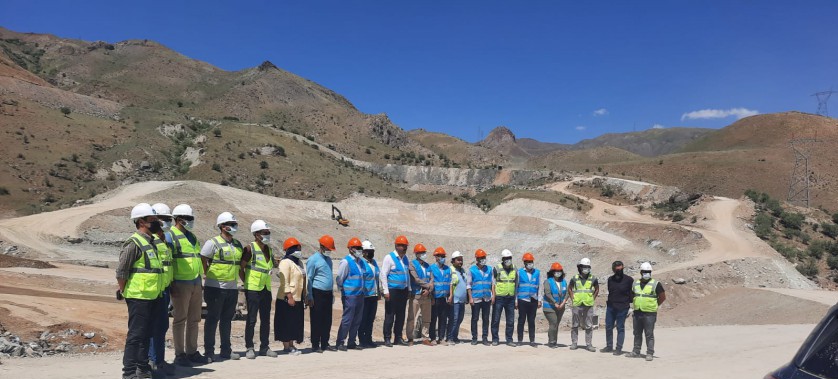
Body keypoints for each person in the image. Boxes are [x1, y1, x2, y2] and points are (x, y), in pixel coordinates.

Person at [118, 203, 165, 379]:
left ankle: (142, 369)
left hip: (152, 296)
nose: (156, 222)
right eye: (152, 220)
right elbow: (121, 271)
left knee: (147, 334)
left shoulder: (151, 242)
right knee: (136, 336)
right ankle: (129, 373)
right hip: (138, 297)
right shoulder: (133, 243)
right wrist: (123, 290)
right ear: (141, 222)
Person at [200, 211, 243, 362]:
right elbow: (203, 258)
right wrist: (207, 273)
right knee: (212, 319)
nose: (234, 226)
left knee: (227, 320)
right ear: (223, 226)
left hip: (232, 288)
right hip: (215, 287)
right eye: (231, 224)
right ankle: (209, 351)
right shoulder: (213, 243)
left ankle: (226, 350)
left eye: (235, 224)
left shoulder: (237, 244)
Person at [169, 204, 206, 367]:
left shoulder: (192, 237)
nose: (191, 221)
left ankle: (192, 351)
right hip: (180, 283)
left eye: (192, 218)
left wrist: (200, 281)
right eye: (188, 219)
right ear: (178, 219)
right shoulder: (170, 236)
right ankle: (180, 354)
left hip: (196, 283)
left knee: (194, 319)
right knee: (180, 319)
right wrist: (171, 282)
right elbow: (168, 262)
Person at [239, 220, 278, 359]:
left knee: (266, 319)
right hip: (253, 289)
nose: (267, 235)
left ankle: (264, 347)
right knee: (251, 319)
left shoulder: (269, 249)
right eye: (264, 233)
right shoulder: (249, 249)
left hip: (266, 289)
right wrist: (247, 283)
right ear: (256, 234)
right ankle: (249, 347)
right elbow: (241, 268)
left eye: (268, 233)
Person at [148, 203, 175, 376]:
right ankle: (151, 362)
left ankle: (160, 360)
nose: (167, 222)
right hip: (153, 291)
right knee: (153, 327)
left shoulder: (166, 239)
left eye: (168, 219)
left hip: (165, 288)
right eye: (164, 219)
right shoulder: (149, 240)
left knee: (162, 326)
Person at [626, 262, 666, 362]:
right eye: (644, 272)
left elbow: (662, 297)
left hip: (650, 314)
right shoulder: (635, 283)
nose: (646, 273)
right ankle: (636, 351)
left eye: (648, 272)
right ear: (641, 272)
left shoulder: (656, 284)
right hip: (637, 312)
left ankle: (650, 353)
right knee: (637, 333)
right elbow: (632, 295)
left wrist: (654, 305)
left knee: (649, 334)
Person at [274, 238, 305, 356]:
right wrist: (289, 296)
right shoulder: (285, 262)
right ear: (290, 249)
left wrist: (305, 294)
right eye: (296, 248)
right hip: (287, 298)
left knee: (294, 322)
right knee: (286, 322)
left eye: (299, 247)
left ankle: (292, 344)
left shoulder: (299, 263)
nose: (299, 250)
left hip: (298, 297)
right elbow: (284, 281)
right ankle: (286, 346)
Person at [336, 237, 367, 351]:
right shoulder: (346, 262)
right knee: (347, 319)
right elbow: (340, 278)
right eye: (357, 248)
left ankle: (351, 342)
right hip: (349, 295)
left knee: (357, 319)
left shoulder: (361, 262)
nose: (359, 250)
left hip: (360, 294)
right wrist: (342, 289)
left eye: (360, 248)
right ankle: (340, 342)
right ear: (350, 249)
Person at [380, 235, 412, 347]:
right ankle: (387, 338)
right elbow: (383, 274)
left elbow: (407, 275)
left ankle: (398, 337)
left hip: (403, 291)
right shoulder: (389, 258)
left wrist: (409, 289)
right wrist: (385, 291)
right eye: (402, 246)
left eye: (405, 246)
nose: (404, 248)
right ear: (396, 246)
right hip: (392, 291)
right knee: (390, 315)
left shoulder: (406, 259)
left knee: (401, 315)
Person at [307, 235, 336, 353]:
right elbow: (309, 278)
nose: (329, 251)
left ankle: (325, 343)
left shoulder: (329, 260)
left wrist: (332, 292)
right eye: (328, 249)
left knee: (327, 319)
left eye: (330, 249)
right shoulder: (313, 259)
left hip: (328, 293)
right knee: (316, 319)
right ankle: (315, 344)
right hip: (317, 292)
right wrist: (309, 295)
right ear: (322, 247)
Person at [602, 260, 633, 355]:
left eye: (621, 268)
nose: (619, 270)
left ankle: (619, 348)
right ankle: (609, 346)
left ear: (623, 268)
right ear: (613, 270)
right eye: (617, 269)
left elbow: (631, 293)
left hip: (622, 307)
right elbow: (610, 291)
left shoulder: (629, 280)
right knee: (608, 327)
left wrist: (628, 304)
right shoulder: (610, 280)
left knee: (620, 328)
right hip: (611, 307)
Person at [568, 257, 599, 352]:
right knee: (575, 324)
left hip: (588, 304)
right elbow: (570, 288)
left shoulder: (593, 278)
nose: (586, 269)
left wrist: (592, 298)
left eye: (588, 267)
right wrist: (573, 298)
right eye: (584, 267)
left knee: (589, 325)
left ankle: (589, 344)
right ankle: (574, 343)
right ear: (580, 267)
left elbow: (597, 289)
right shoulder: (574, 278)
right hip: (577, 304)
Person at [407, 243, 434, 346]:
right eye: (422, 253)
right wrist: (428, 286)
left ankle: (425, 337)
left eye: (424, 253)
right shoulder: (412, 264)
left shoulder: (428, 266)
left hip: (427, 296)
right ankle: (410, 338)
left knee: (427, 318)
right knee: (412, 317)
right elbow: (416, 279)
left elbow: (432, 279)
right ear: (417, 254)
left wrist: (429, 289)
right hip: (416, 295)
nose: (424, 254)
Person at [468, 249, 494, 346]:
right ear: (477, 259)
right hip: (476, 298)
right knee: (475, 318)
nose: (483, 259)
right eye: (481, 258)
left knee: (486, 318)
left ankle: (485, 338)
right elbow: (469, 285)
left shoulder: (489, 269)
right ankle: (474, 338)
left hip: (486, 298)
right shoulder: (472, 270)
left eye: (484, 258)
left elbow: (492, 283)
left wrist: (493, 295)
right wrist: (470, 298)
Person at [357, 240, 380, 348]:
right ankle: (362, 340)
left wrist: (378, 292)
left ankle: (369, 339)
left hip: (374, 295)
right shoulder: (361, 263)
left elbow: (377, 277)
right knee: (363, 318)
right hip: (365, 295)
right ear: (364, 252)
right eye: (369, 251)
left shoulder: (374, 263)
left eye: (372, 250)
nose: (371, 252)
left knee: (371, 318)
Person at [491, 249, 517, 347]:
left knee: (510, 320)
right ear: (502, 259)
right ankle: (495, 339)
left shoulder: (514, 268)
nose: (508, 260)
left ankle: (509, 340)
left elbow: (516, 283)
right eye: (506, 258)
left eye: (509, 258)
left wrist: (516, 299)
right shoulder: (497, 268)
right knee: (496, 319)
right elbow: (493, 283)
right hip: (499, 298)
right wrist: (493, 295)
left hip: (510, 298)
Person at [516, 252, 542, 347]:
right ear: (525, 263)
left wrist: (539, 300)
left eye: (531, 261)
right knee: (521, 320)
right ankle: (520, 340)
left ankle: (532, 340)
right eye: (528, 262)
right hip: (522, 300)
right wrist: (516, 300)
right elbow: (516, 287)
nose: (530, 263)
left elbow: (540, 287)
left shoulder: (537, 272)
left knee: (531, 321)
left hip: (533, 300)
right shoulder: (519, 272)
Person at [429, 247, 451, 345]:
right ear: (436, 257)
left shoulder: (448, 269)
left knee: (443, 318)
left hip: (444, 297)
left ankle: (441, 338)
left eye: (443, 256)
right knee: (433, 318)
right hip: (435, 297)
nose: (442, 258)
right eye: (440, 256)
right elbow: (430, 282)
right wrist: (431, 297)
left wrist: (450, 296)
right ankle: (432, 338)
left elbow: (450, 283)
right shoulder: (431, 268)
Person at [543, 262, 568, 348]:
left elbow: (567, 293)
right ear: (552, 272)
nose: (558, 272)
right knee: (553, 323)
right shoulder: (548, 282)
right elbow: (548, 293)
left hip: (561, 307)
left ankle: (554, 341)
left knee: (556, 324)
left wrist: (563, 302)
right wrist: (555, 303)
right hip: (549, 307)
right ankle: (551, 342)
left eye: (559, 271)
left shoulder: (564, 282)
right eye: (556, 271)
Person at [448, 251, 469, 344]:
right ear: (453, 261)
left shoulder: (462, 271)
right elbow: (450, 284)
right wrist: (450, 296)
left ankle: (455, 337)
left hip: (462, 300)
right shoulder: (451, 270)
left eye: (461, 260)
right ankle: (449, 337)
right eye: (458, 260)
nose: (460, 262)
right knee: (454, 319)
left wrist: (467, 297)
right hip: (455, 300)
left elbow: (465, 284)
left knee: (460, 319)